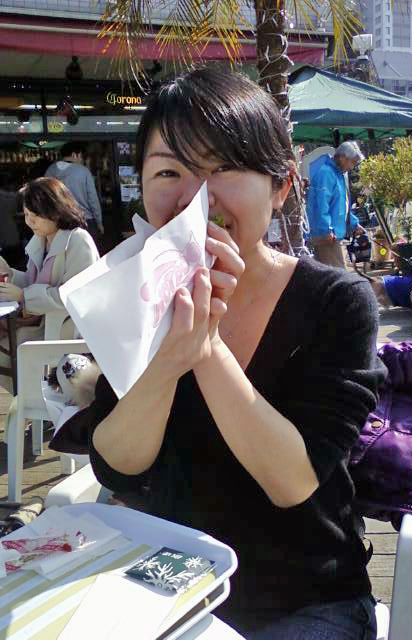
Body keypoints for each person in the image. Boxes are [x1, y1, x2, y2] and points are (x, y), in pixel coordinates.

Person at [56, 67, 385, 639]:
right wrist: (169, 357)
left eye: (225, 167)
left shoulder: (338, 302)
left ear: (281, 186)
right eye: (169, 171)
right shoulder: (139, 296)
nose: (194, 199)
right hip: (167, 586)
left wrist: (205, 347)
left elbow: (292, 481)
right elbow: (118, 465)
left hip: (305, 598)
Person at [0, 177, 99, 393]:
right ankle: (27, 402)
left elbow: (75, 295)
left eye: (35, 216)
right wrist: (10, 274)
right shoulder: (42, 239)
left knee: (13, 354)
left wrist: (24, 296)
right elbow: (33, 282)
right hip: (47, 325)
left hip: (70, 333)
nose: (30, 222)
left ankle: (33, 403)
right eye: (26, 215)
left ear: (55, 211)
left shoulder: (78, 240)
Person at [306, 141, 366, 269]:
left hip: (332, 235)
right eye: (352, 162)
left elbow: (341, 206)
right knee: (337, 274)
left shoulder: (337, 174)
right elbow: (321, 204)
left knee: (334, 274)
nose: (352, 167)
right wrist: (326, 229)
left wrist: (354, 223)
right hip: (327, 236)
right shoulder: (326, 173)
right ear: (343, 158)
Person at [46, 142, 104, 245]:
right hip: (85, 221)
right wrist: (99, 223)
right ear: (74, 155)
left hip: (60, 221)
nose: (81, 160)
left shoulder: (50, 171)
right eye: (81, 156)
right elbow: (93, 200)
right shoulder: (83, 171)